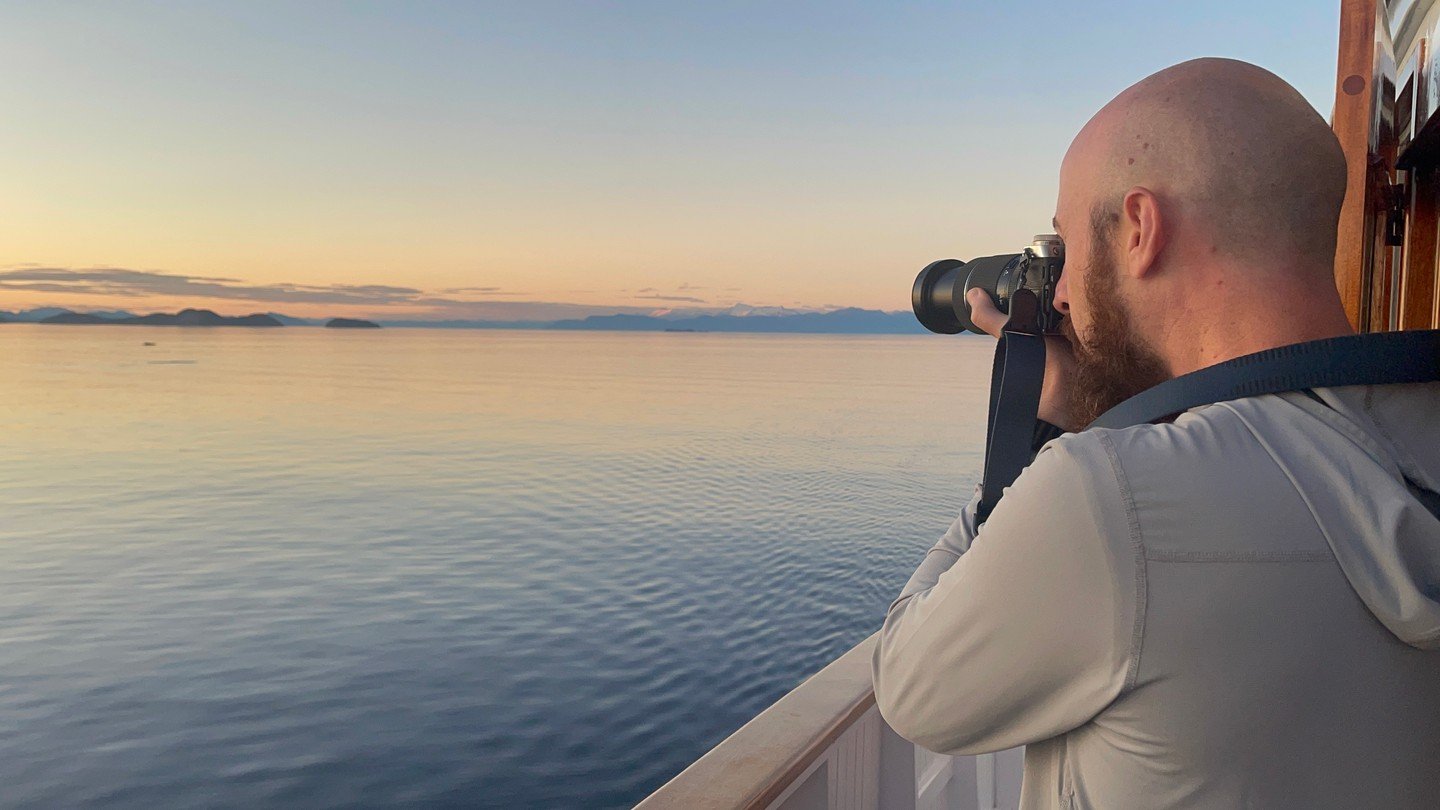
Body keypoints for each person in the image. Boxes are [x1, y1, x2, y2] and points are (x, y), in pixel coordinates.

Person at [871, 57, 1440, 809]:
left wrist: (1036, 438)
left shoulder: (1111, 496)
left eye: (1068, 250)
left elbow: (911, 686)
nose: (1065, 293)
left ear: (1140, 229)